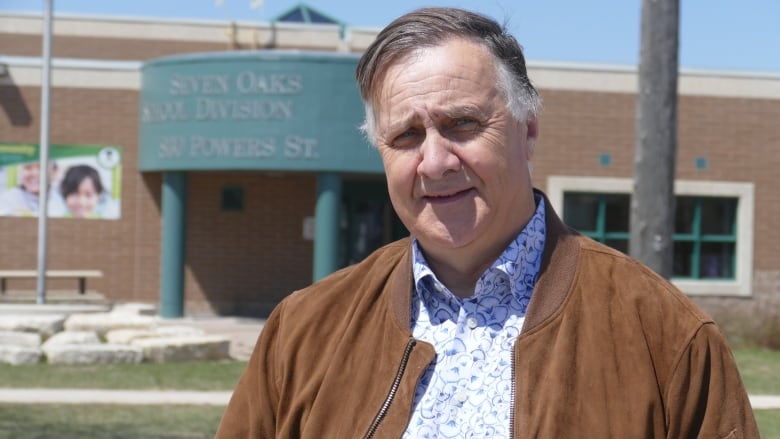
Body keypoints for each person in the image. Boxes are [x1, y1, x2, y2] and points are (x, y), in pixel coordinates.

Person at [217, 7, 758, 438]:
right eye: (406, 136)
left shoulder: (664, 334)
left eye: (463, 124)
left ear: (528, 131)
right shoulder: (305, 330)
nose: (435, 161)